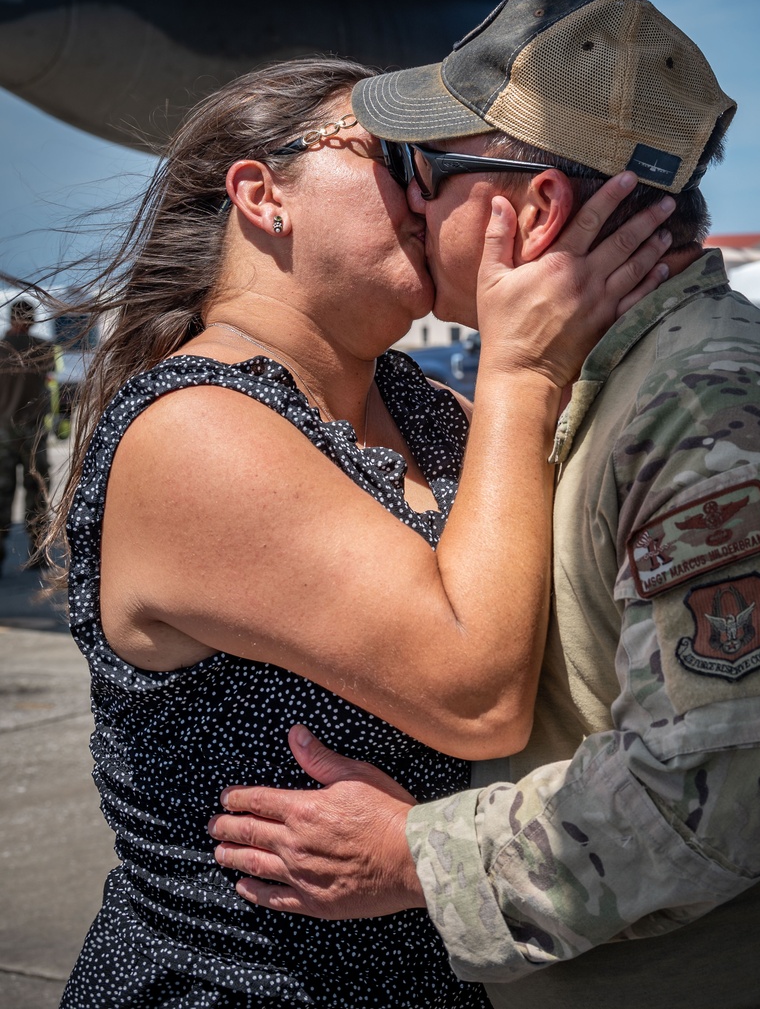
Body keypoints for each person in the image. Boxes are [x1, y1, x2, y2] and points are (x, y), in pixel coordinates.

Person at [208, 0, 760, 1008]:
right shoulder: (603, 383)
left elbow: (708, 799)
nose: (409, 202)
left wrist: (413, 857)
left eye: (425, 170)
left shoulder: (711, 411)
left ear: (529, 209)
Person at [45, 52, 674, 1009]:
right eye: (395, 155)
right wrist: (523, 376)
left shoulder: (417, 406)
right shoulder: (192, 431)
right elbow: (476, 693)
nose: (431, 194)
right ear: (264, 195)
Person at [0, 299, 55, 573]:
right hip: (34, 431)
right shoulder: (44, 348)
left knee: (1, 494)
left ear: (11, 319)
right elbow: (49, 383)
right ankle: (37, 554)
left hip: (2, 431)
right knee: (37, 492)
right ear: (32, 320)